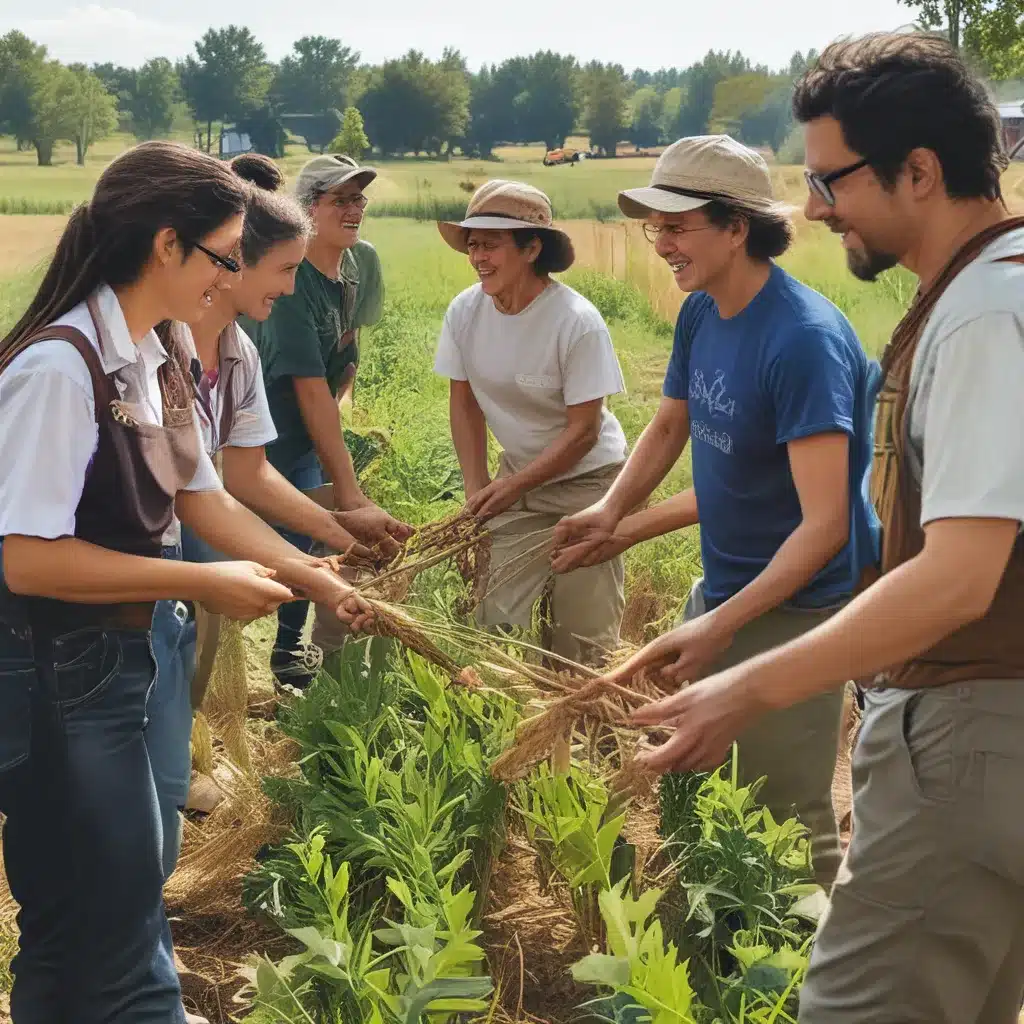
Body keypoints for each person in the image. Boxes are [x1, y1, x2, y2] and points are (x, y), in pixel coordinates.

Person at [619, 33, 1024, 1024]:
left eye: (828, 180)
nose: (807, 209)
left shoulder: (981, 316)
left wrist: (740, 684)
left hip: (966, 734)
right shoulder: (990, 291)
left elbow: (958, 580)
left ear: (917, 172)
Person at [0, 141, 372, 1024]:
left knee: (81, 926)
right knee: (120, 923)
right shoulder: (59, 368)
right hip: (58, 677)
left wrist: (307, 573)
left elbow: (203, 496)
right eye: (225, 256)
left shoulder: (159, 350)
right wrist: (200, 586)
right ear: (167, 246)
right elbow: (25, 558)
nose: (232, 277)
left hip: (113, 664)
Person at [551, 136, 878, 887]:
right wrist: (611, 512)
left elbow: (825, 523)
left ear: (738, 226)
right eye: (654, 228)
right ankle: (722, 952)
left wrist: (719, 626)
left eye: (677, 225)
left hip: (800, 609)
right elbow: (674, 428)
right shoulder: (703, 311)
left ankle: (803, 990)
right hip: (726, 589)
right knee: (706, 783)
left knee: (787, 819)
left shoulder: (803, 341)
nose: (662, 244)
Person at [434, 180, 629, 665]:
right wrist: (477, 493)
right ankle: (514, 727)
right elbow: (465, 404)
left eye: (491, 244)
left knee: (582, 635)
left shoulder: (575, 322)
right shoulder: (466, 311)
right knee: (497, 618)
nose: (478, 256)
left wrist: (513, 485)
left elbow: (584, 430)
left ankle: (594, 734)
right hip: (516, 481)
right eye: (472, 244)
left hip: (590, 485)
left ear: (531, 247)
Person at [251, 153, 410, 689]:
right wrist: (348, 490)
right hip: (269, 432)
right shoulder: (292, 283)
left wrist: (344, 422)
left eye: (359, 198)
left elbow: (348, 352)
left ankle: (289, 650)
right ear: (307, 208)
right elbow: (308, 388)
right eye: (340, 199)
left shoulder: (360, 262)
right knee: (277, 535)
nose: (354, 209)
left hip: (316, 426)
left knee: (310, 539)